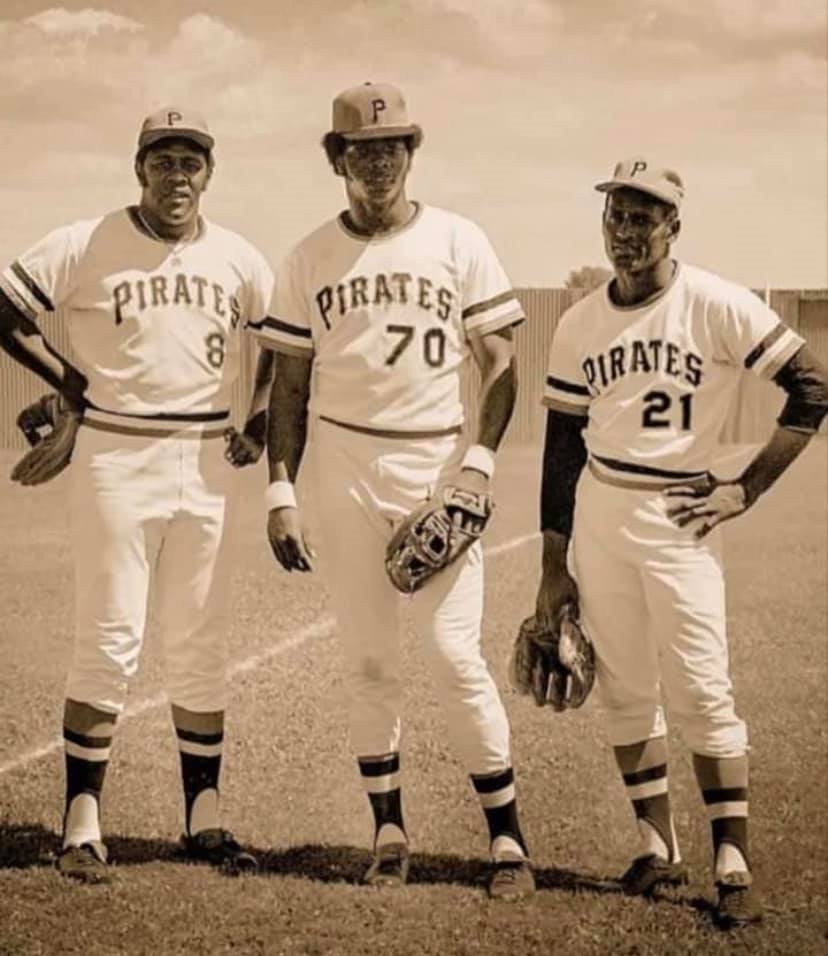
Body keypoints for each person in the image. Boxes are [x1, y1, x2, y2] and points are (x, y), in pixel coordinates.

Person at [249, 81, 534, 900]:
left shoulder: (459, 239)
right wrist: (280, 490)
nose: (378, 162)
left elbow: (502, 362)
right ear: (336, 158)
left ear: (411, 154)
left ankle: (508, 842)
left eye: (392, 147)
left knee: (453, 656)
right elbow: (292, 386)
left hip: (436, 466)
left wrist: (477, 464)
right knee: (368, 662)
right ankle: (388, 832)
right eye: (362, 149)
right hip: (340, 468)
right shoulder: (308, 256)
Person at [535, 157, 828, 928]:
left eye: (642, 217)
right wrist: (551, 566)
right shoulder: (577, 322)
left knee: (702, 688)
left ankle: (732, 860)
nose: (625, 232)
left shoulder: (718, 304)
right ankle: (654, 847)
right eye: (615, 216)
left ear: (673, 226)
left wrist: (745, 486)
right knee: (626, 688)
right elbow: (562, 447)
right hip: (601, 512)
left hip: (679, 516)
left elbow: (814, 387)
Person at [0, 106, 275, 883]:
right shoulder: (86, 241)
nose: (177, 175)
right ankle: (81, 822)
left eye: (191, 162)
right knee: (111, 634)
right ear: (139, 169)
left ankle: (205, 816)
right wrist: (71, 386)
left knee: (200, 638)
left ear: (209, 174)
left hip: (207, 458)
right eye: (163, 161)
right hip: (116, 453)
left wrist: (255, 420)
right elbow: (4, 309)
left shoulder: (239, 256)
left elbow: (287, 346)